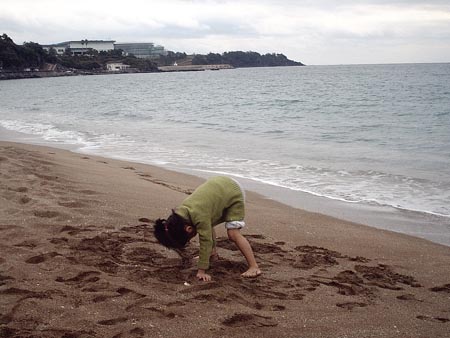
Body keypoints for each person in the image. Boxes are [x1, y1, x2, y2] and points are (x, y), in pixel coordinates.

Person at [154, 176, 261, 281]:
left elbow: (206, 241)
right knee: (207, 226)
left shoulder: (199, 216)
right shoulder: (181, 213)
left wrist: (202, 271)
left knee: (233, 233)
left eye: (189, 238)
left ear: (189, 229)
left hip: (234, 193)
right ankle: (212, 253)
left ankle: (254, 266)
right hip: (221, 185)